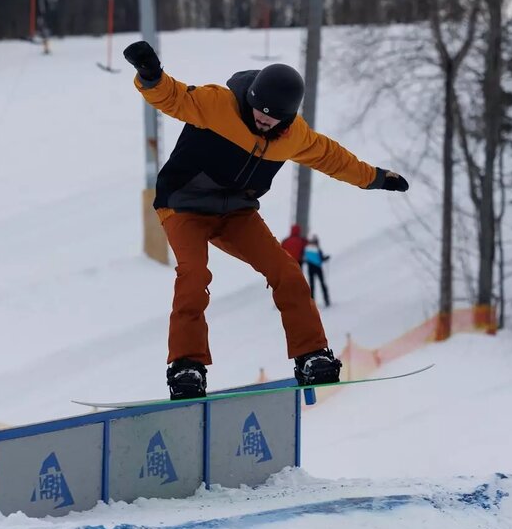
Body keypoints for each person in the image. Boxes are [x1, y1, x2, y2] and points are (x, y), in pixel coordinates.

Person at [122, 40, 409, 399]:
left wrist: (377, 178)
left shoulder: (295, 136)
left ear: (287, 118)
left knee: (286, 271)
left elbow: (333, 158)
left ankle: (312, 355)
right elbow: (175, 98)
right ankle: (186, 366)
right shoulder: (220, 103)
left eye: (270, 117)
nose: (260, 118)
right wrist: (151, 75)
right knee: (194, 275)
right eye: (257, 110)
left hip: (237, 213)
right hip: (184, 205)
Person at [303, 236, 331, 308]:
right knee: (322, 284)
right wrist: (326, 258)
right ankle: (326, 300)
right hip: (318, 268)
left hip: (310, 269)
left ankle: (311, 303)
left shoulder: (307, 249)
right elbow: (321, 258)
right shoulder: (317, 249)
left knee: (312, 286)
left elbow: (305, 259)